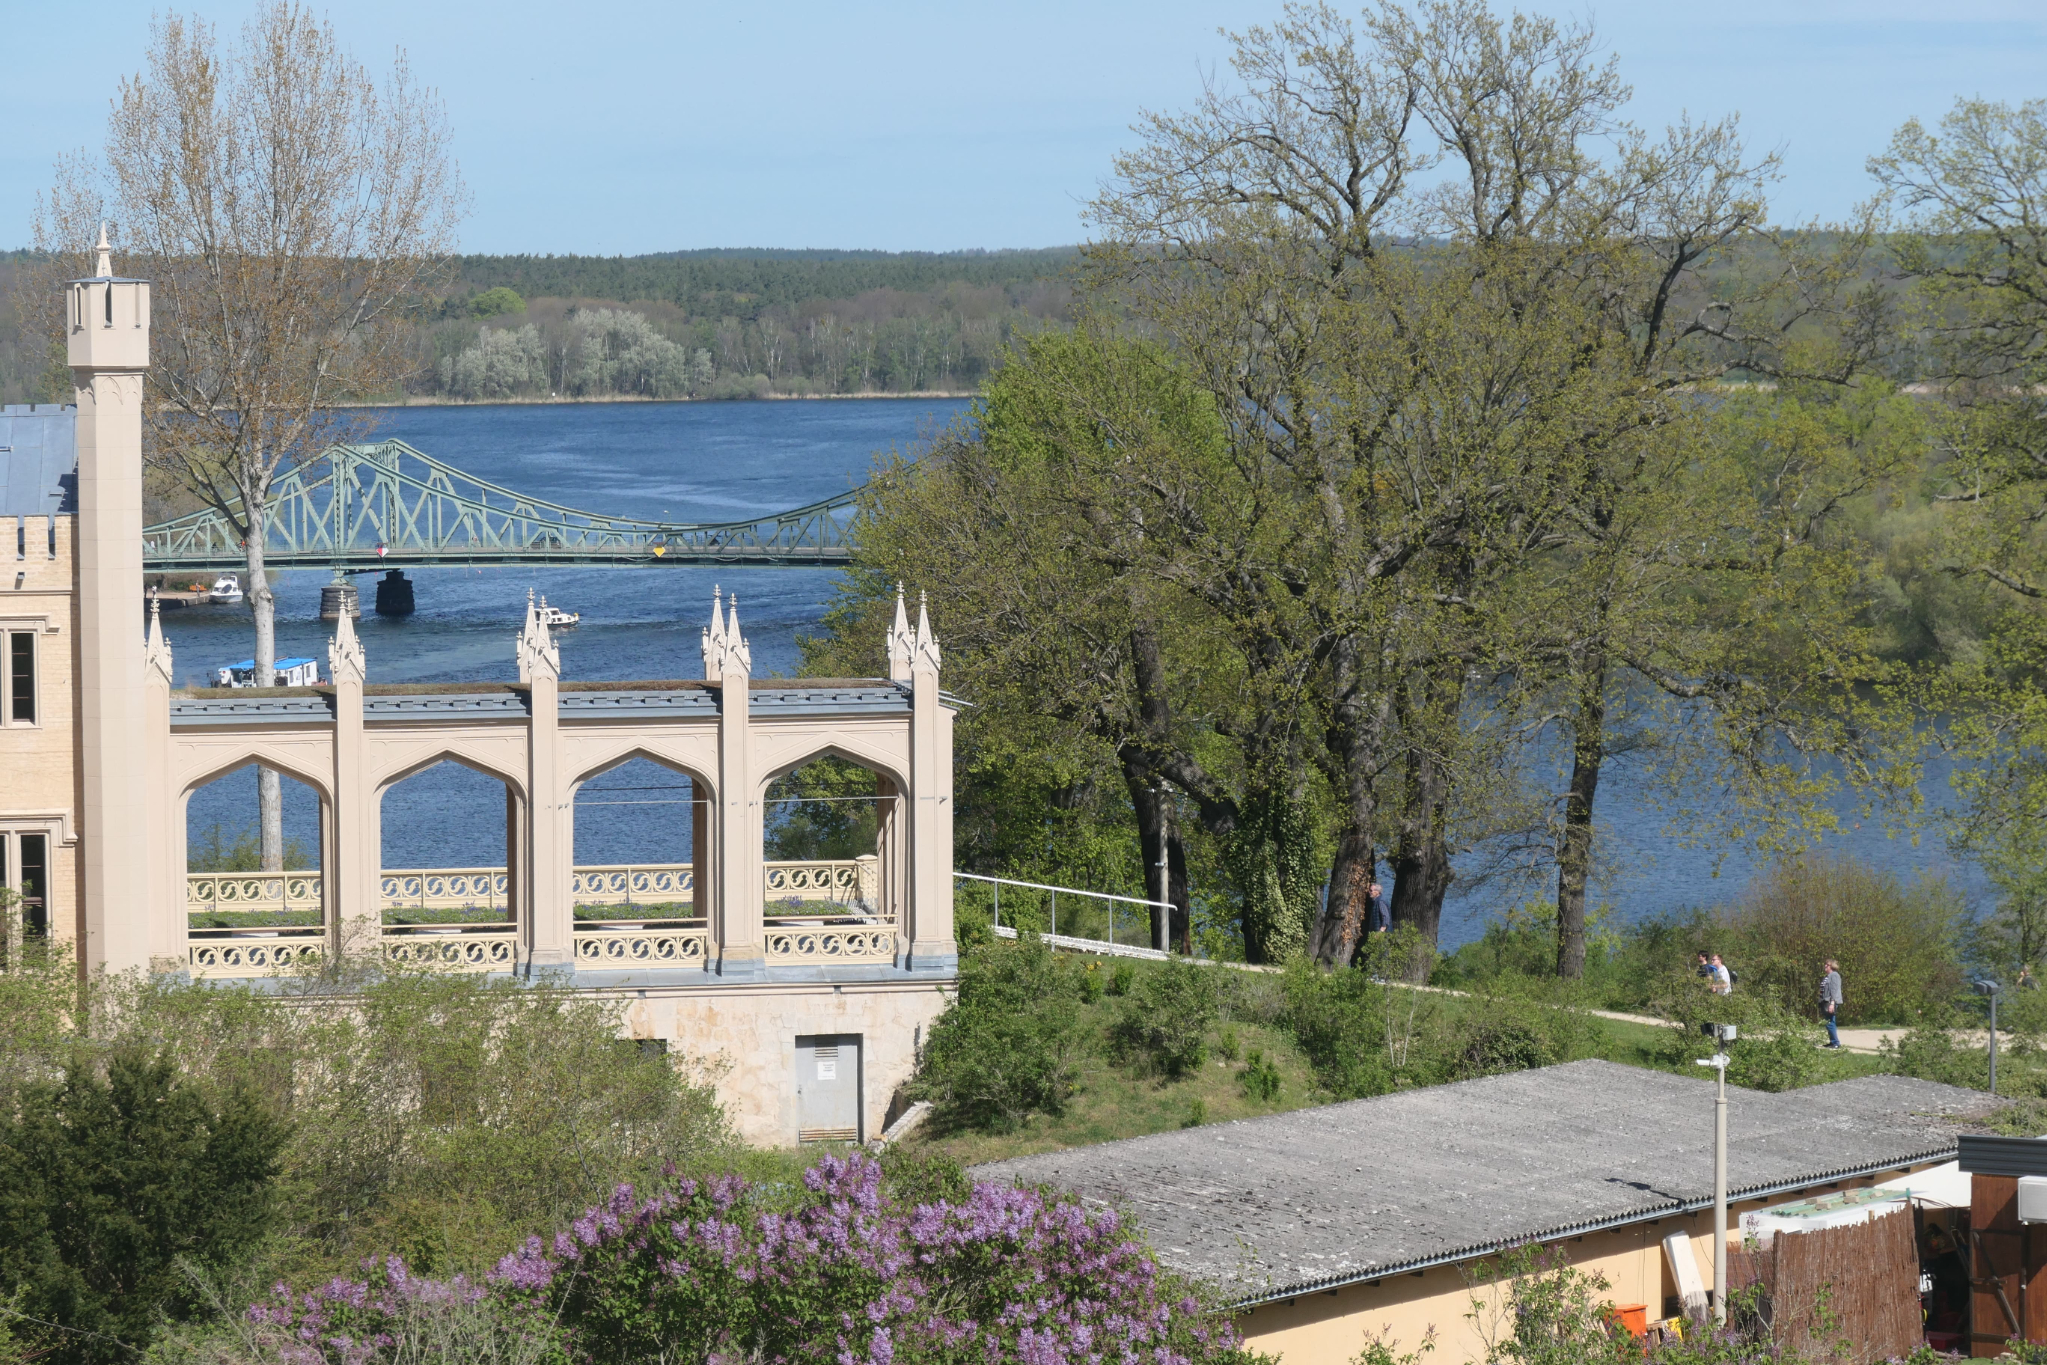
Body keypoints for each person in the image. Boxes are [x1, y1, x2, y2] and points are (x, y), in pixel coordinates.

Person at [1820, 959, 1843, 1049]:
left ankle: (1836, 1043)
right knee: (1828, 1022)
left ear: (1832, 966)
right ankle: (1832, 1042)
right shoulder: (1828, 976)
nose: (1825, 966)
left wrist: (1832, 1003)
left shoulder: (1834, 975)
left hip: (1831, 1002)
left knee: (1830, 1022)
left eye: (1827, 965)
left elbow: (1834, 990)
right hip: (1825, 1001)